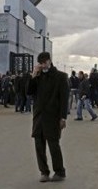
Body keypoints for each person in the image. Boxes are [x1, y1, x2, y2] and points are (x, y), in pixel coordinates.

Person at [28, 52, 69, 183]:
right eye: (41, 63)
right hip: (39, 117)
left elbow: (64, 99)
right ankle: (44, 172)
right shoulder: (38, 77)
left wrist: (63, 117)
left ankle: (59, 171)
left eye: (45, 62)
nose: (43, 65)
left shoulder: (61, 77)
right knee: (39, 146)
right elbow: (28, 92)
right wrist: (33, 76)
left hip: (53, 117)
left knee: (54, 145)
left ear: (50, 61)